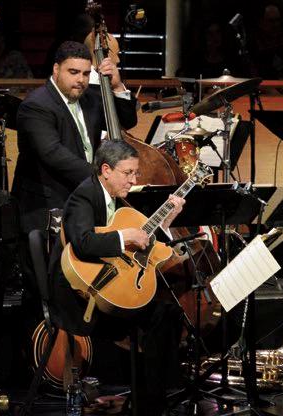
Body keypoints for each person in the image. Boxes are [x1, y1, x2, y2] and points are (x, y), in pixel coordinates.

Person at [56, 139, 185, 416]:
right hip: (83, 298)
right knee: (161, 315)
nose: (134, 180)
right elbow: (82, 243)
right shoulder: (83, 196)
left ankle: (149, 398)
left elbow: (143, 242)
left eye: (135, 173)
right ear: (106, 170)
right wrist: (122, 237)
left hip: (110, 286)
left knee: (170, 309)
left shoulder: (118, 198)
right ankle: (151, 405)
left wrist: (165, 223)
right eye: (128, 173)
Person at [13, 40, 138, 236]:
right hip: (47, 205)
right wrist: (102, 178)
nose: (81, 79)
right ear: (56, 69)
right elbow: (53, 153)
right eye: (73, 72)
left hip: (82, 200)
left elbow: (127, 121)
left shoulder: (90, 98)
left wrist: (117, 86)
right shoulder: (36, 105)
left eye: (86, 74)